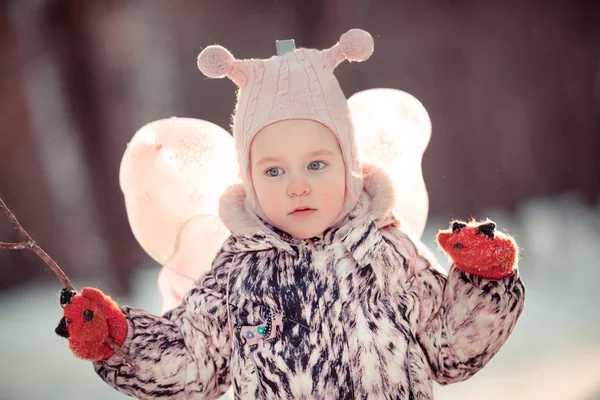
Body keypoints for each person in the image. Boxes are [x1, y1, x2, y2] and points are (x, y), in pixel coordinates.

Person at [55, 29, 525, 399]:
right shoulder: (236, 272)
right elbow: (194, 366)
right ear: (250, 181)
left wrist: (486, 284)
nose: (297, 184)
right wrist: (119, 339)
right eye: (274, 170)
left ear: (350, 168)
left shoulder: (385, 251)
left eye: (316, 164)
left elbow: (447, 350)